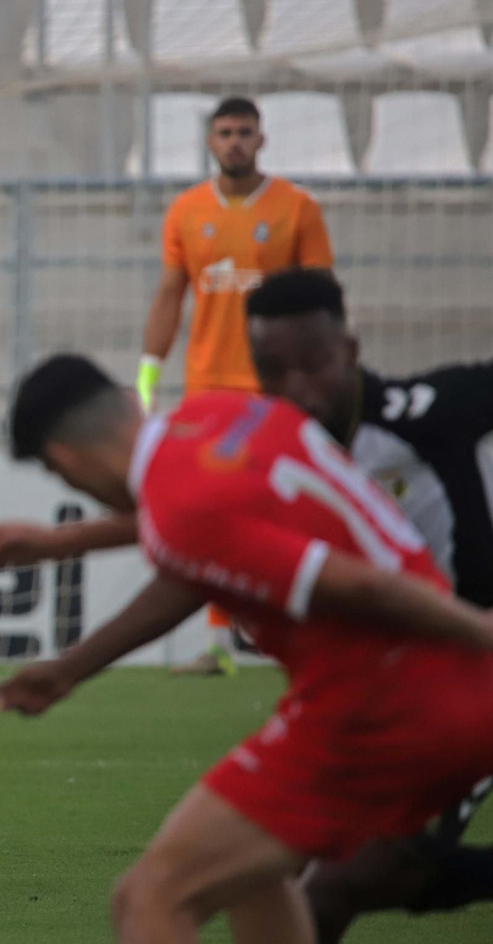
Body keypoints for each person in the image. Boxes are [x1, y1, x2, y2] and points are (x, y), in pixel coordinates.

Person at [0, 270, 493, 936]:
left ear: (65, 460)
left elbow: (359, 585)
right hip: (430, 690)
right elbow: (201, 541)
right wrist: (64, 619)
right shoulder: (220, 417)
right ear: (126, 399)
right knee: (251, 870)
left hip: (383, 705)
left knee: (150, 897)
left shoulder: (185, 510)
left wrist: (480, 632)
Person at [136, 96, 334, 675]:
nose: (234, 142)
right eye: (224, 132)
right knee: (212, 509)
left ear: (261, 140)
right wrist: (149, 369)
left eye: (244, 132)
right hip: (208, 388)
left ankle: (296, 631)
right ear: (210, 142)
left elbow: (322, 296)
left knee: (279, 510)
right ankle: (220, 643)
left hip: (275, 388)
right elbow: (170, 293)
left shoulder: (297, 208)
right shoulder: (186, 210)